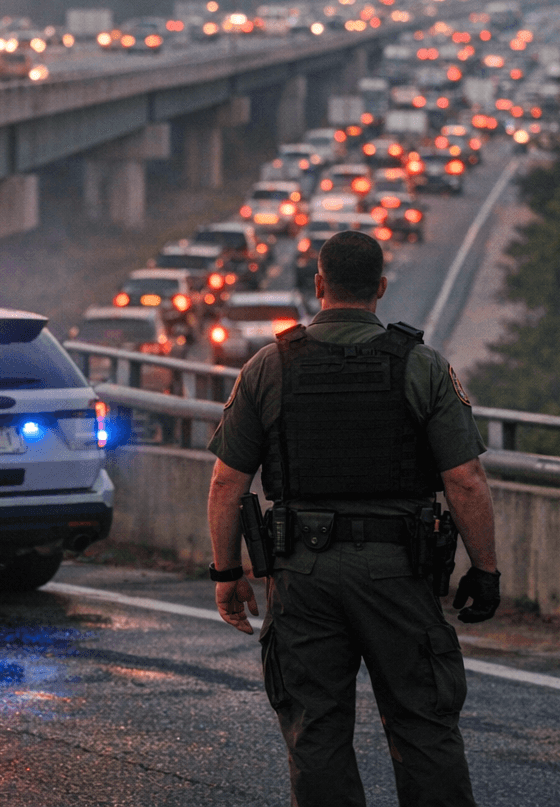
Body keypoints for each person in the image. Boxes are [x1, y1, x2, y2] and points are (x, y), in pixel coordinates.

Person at [206, 230, 500, 807]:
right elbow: (465, 480)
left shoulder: (268, 367)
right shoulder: (422, 365)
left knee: (316, 732)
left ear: (318, 286)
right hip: (399, 574)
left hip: (303, 578)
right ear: (381, 289)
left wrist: (226, 573)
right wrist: (484, 570)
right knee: (424, 726)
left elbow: (225, 483)